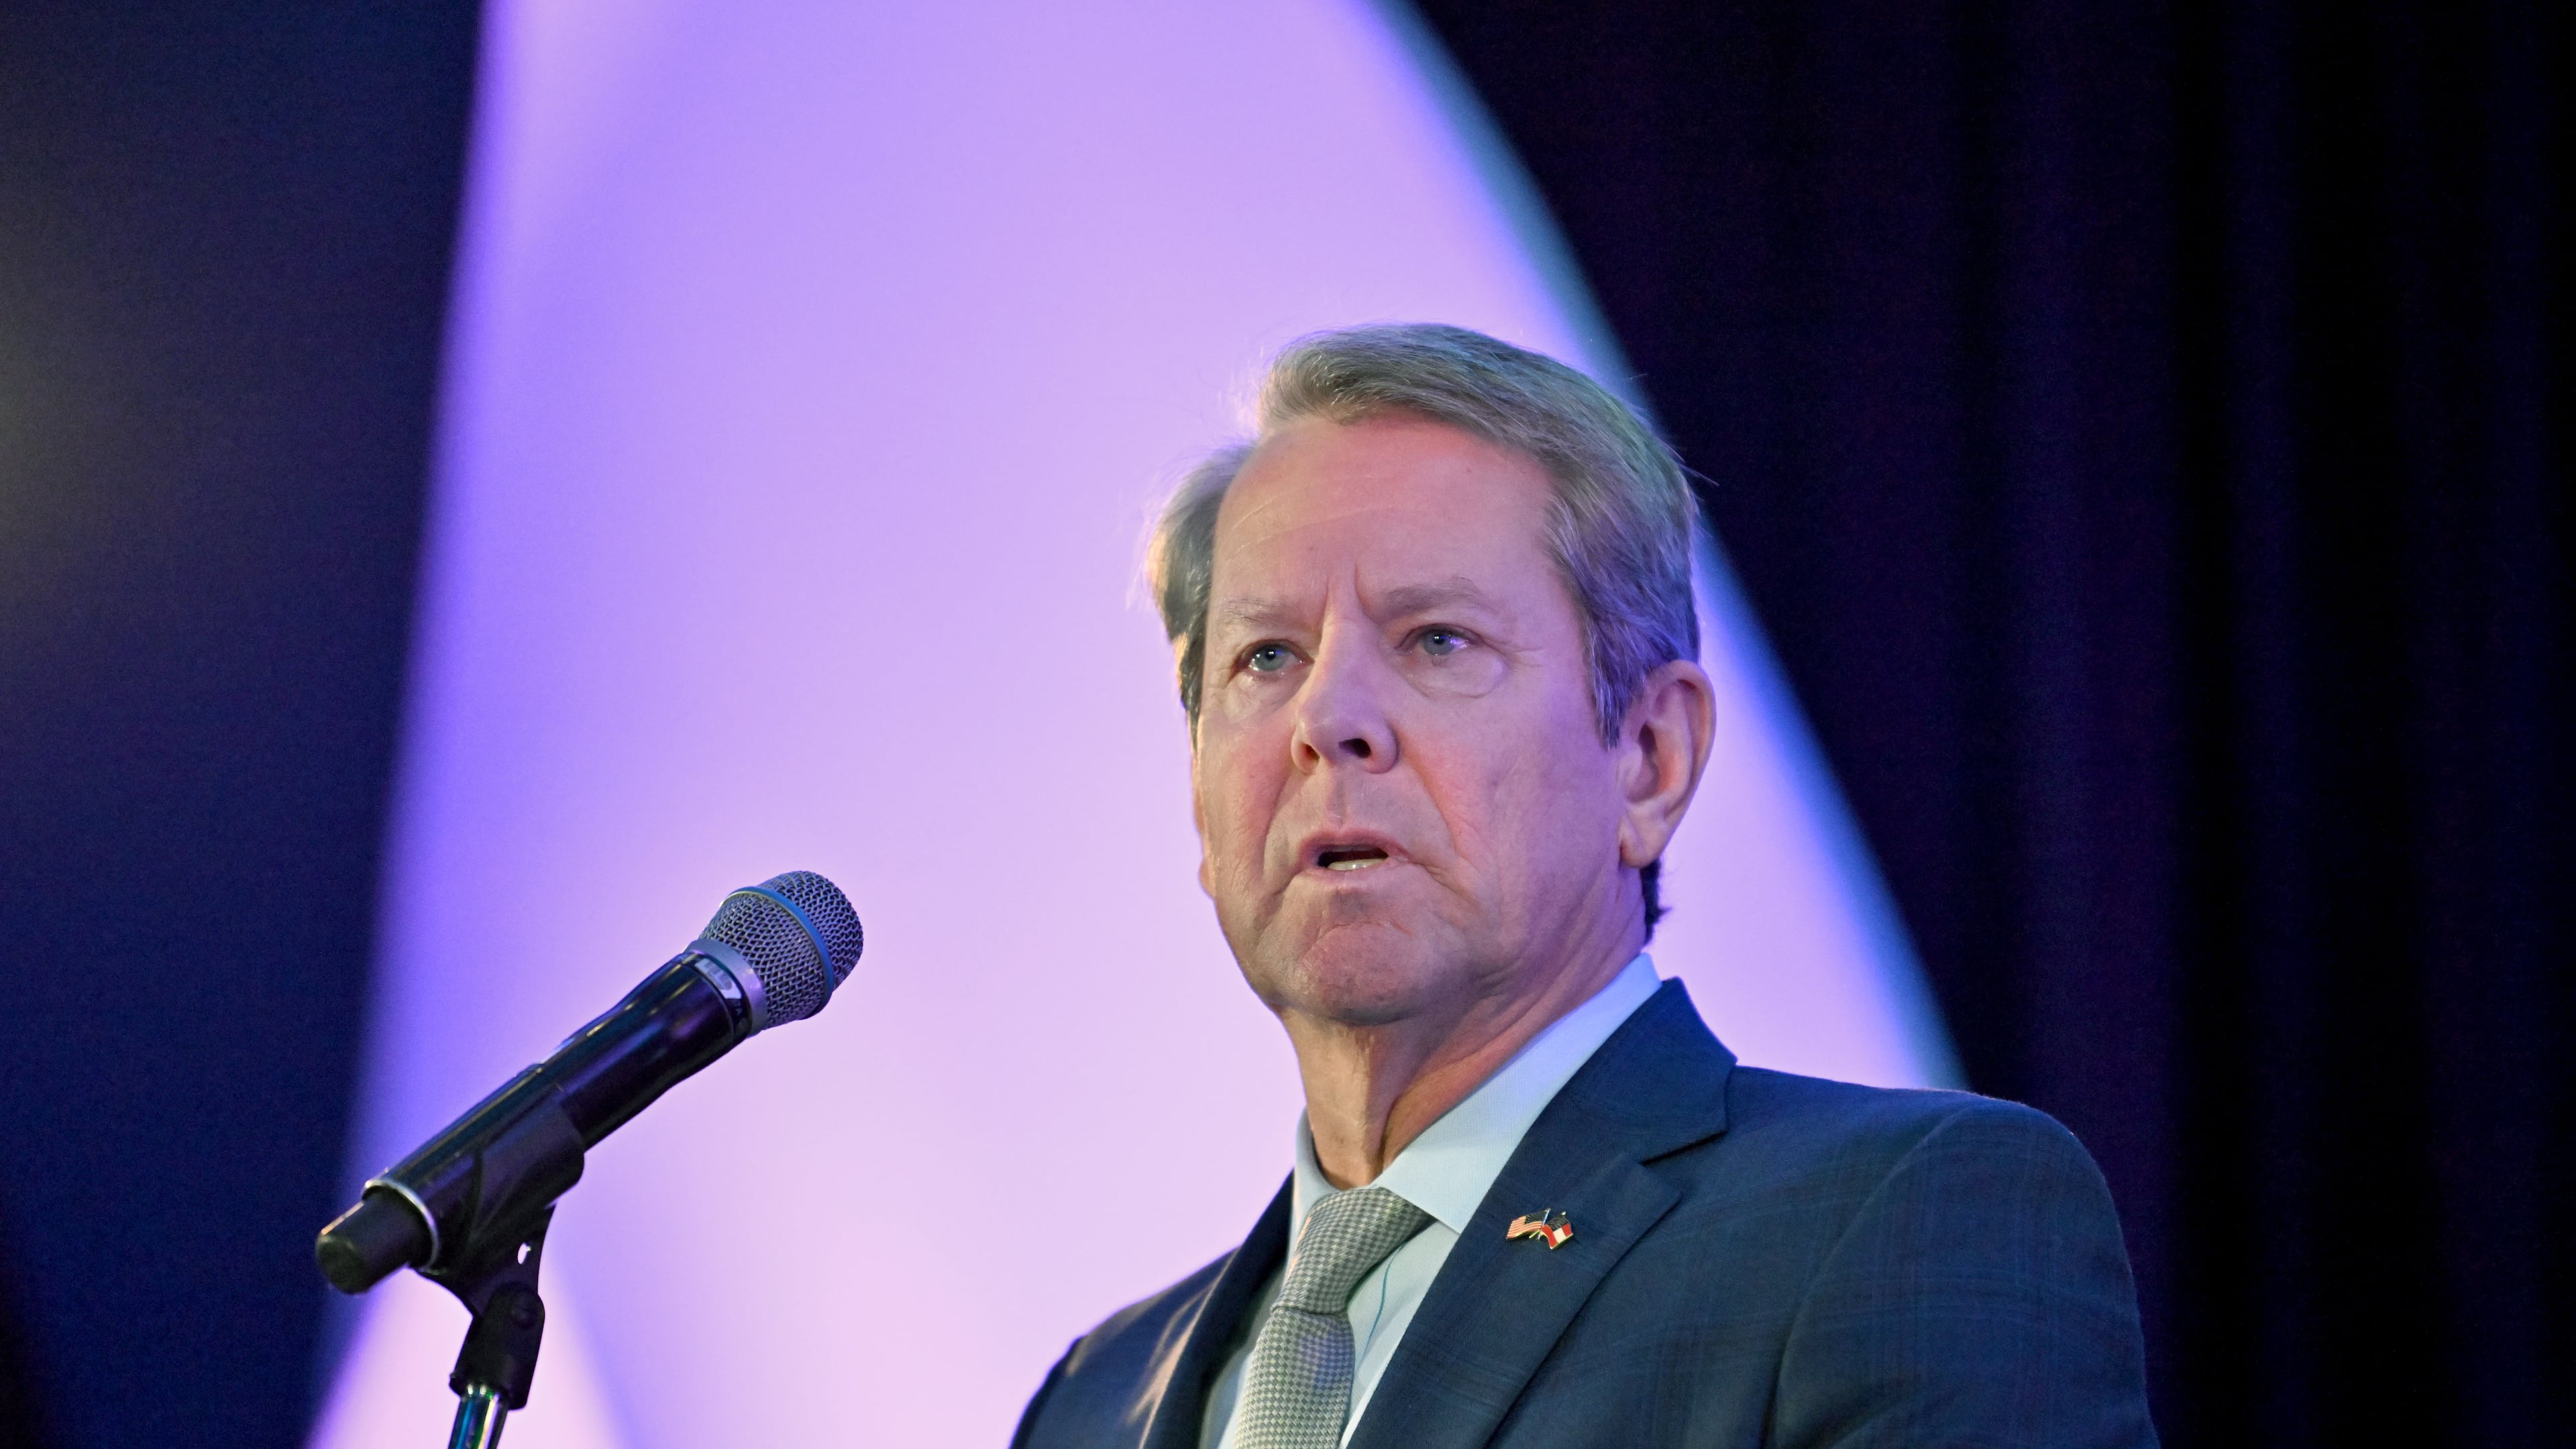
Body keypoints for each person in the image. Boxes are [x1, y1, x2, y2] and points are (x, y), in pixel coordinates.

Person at [1012, 324, 2157, 1448]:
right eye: (1267, 657)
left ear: (1650, 758)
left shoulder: (1900, 1228)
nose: (1328, 722)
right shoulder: (1093, 1401)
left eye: (1438, 640)